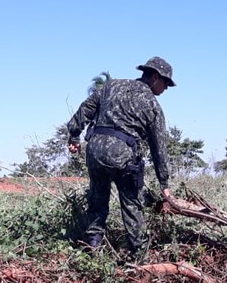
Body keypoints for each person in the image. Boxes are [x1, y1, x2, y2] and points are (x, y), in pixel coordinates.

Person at [66, 56, 175, 257]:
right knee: (133, 204)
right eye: (166, 82)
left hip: (95, 151)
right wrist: (164, 184)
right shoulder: (152, 105)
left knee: (97, 199)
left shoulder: (111, 86)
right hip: (122, 155)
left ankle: (92, 247)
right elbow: (159, 147)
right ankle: (138, 255)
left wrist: (74, 136)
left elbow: (85, 110)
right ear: (154, 77)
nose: (166, 88)